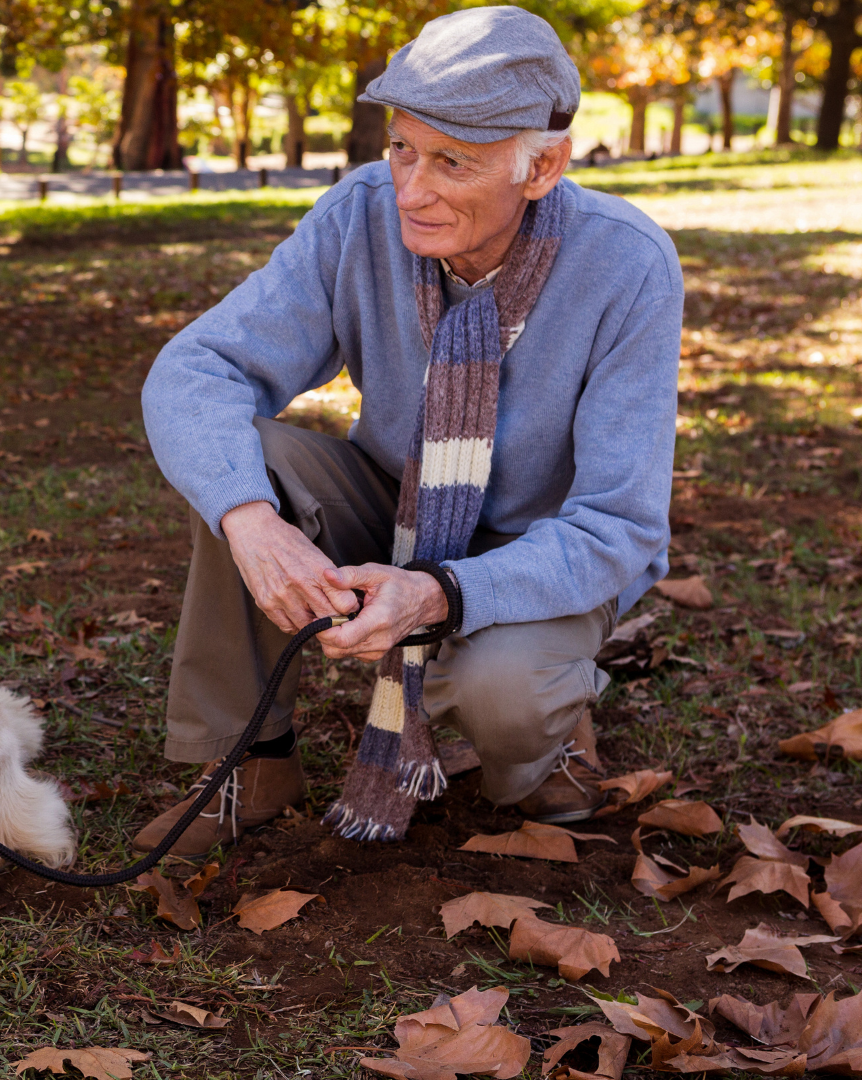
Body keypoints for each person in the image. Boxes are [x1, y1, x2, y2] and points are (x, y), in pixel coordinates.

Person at [137, 6, 683, 856]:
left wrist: (441, 593)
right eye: (401, 148)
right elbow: (196, 369)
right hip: (397, 504)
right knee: (251, 466)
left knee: (503, 688)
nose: (410, 188)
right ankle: (250, 761)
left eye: (451, 162)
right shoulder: (360, 215)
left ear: (541, 166)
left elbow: (620, 524)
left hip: (536, 545)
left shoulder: (627, 266)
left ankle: (548, 749)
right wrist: (249, 520)